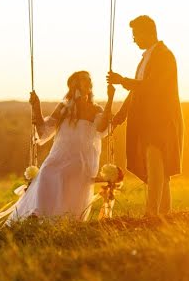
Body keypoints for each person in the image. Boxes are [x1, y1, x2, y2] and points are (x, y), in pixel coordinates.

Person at [6, 71, 114, 223]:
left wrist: (110, 99)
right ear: (74, 86)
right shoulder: (64, 108)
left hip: (82, 158)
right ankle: (37, 214)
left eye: (89, 80)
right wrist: (36, 107)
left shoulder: (95, 109)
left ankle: (60, 219)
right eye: (83, 80)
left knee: (67, 172)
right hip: (60, 155)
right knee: (45, 172)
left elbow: (102, 128)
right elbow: (44, 131)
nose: (88, 82)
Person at [108, 15, 183, 217]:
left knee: (155, 166)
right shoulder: (146, 58)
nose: (134, 39)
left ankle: (151, 214)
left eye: (135, 35)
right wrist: (119, 117)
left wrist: (122, 80)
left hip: (160, 121)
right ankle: (164, 214)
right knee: (159, 169)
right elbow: (136, 93)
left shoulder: (164, 56)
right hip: (146, 121)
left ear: (148, 32)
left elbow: (152, 87)